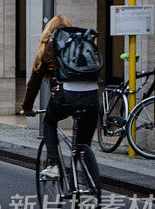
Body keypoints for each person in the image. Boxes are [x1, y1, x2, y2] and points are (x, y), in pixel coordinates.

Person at [22, 15, 100, 179]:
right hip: (92, 98)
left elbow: (34, 83)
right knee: (84, 146)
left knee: (49, 122)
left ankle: (54, 165)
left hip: (65, 97)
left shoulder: (48, 46)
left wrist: (27, 108)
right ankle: (91, 189)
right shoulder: (83, 43)